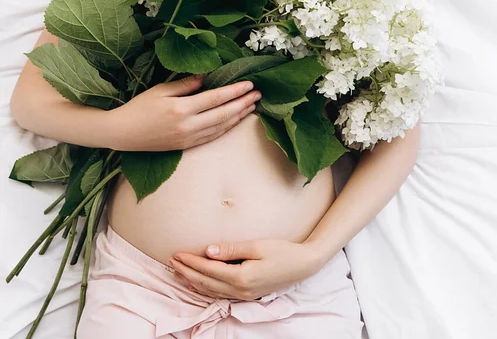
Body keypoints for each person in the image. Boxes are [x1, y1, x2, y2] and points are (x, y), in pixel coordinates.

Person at [10, 29, 420, 338]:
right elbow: (30, 102)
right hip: (144, 292)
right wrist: (122, 128)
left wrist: (313, 254)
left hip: (294, 293)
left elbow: (398, 135)